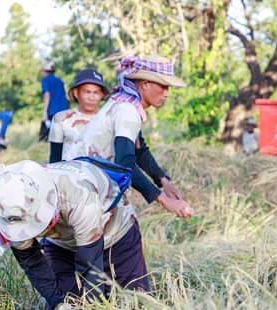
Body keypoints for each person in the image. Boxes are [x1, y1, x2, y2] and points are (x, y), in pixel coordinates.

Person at [0, 159, 150, 310]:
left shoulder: (79, 195)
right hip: (61, 242)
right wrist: (60, 304)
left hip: (115, 234)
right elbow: (31, 262)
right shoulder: (8, 208)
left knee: (133, 309)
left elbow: (91, 268)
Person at [73, 55, 192, 218]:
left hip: (91, 182)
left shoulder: (127, 105)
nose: (166, 94)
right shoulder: (127, 110)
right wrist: (163, 199)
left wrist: (163, 180)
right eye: (163, 86)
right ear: (145, 84)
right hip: (83, 186)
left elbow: (139, 149)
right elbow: (125, 162)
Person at [49, 68, 109, 163]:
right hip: (69, 173)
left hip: (103, 174)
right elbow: (55, 156)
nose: (91, 97)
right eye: (87, 92)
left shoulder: (110, 118)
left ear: (102, 95)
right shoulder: (61, 119)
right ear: (76, 93)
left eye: (96, 92)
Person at [39, 62, 69, 142]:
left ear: (45, 71)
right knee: (62, 133)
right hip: (64, 108)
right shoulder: (60, 80)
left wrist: (45, 111)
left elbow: (47, 94)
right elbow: (66, 94)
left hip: (53, 110)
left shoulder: (45, 80)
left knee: (50, 134)